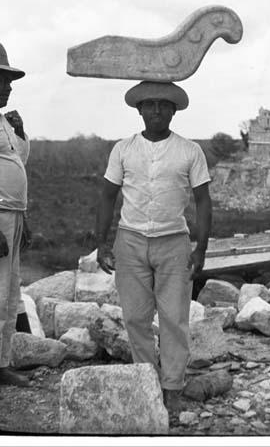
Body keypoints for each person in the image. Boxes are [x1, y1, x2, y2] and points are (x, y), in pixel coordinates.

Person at [96, 81, 212, 412]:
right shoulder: (123, 149)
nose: (156, 110)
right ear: (139, 110)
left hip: (174, 241)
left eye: (164, 104)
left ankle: (172, 386)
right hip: (129, 241)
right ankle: (147, 382)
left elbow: (203, 202)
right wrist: (101, 244)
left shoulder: (190, 151)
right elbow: (107, 196)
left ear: (174, 110)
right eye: (149, 104)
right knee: (135, 318)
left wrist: (200, 248)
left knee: (175, 318)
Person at [0, 41, 32, 386]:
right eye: (2, 80)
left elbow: (16, 162)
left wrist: (19, 133)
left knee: (10, 294)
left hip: (13, 216)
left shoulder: (1, 121)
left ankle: (1, 365)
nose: (9, 87)